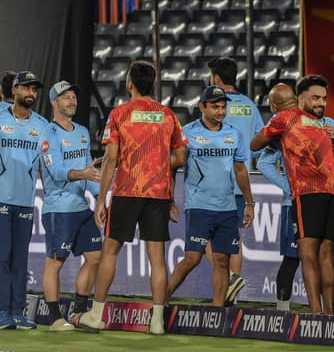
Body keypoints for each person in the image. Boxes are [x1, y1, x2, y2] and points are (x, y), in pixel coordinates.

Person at [73, 60, 187, 334]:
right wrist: (160, 168)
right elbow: (181, 157)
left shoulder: (119, 114)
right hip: (157, 194)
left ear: (129, 83)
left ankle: (96, 315)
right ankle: (157, 321)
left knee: (110, 252)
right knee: (157, 257)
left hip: (126, 191)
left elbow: (111, 158)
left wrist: (101, 199)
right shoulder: (168, 115)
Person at [254, 79, 334, 312]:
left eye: (324, 99)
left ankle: (316, 316)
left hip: (307, 192)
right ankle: (330, 316)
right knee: (326, 254)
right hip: (333, 191)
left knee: (306, 254)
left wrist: (301, 179)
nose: (321, 103)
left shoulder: (286, 119)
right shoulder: (324, 125)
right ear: (300, 98)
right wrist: (324, 174)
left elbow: (254, 146)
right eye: (316, 98)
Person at [0, 71, 48, 330]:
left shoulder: (43, 125)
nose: (31, 93)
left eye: (34, 89)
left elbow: (43, 166)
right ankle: (1, 312)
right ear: (14, 90)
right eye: (26, 88)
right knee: (0, 257)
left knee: (19, 259)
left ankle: (18, 312)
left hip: (25, 201)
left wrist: (49, 194)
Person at [166, 86, 254, 307]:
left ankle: (217, 312)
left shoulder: (234, 133)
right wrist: (170, 198)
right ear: (202, 107)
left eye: (223, 107)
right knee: (192, 258)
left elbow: (240, 169)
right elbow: (172, 166)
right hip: (199, 206)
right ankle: (161, 302)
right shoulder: (187, 132)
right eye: (215, 107)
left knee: (222, 260)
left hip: (227, 207)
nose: (221, 111)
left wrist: (249, 203)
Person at [39, 81, 102, 331]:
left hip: (80, 208)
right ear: (54, 103)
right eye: (65, 97)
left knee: (95, 257)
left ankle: (78, 312)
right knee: (56, 262)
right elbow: (56, 172)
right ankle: (55, 318)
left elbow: (90, 170)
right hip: (59, 209)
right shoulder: (49, 134)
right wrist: (82, 174)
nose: (71, 100)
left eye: (74, 96)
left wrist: (100, 198)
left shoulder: (83, 132)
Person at [207, 57, 264, 305]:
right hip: (241, 181)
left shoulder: (216, 105)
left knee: (207, 236)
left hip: (216, 181)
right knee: (234, 238)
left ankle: (228, 279)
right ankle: (233, 291)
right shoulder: (250, 106)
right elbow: (260, 141)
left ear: (217, 78)